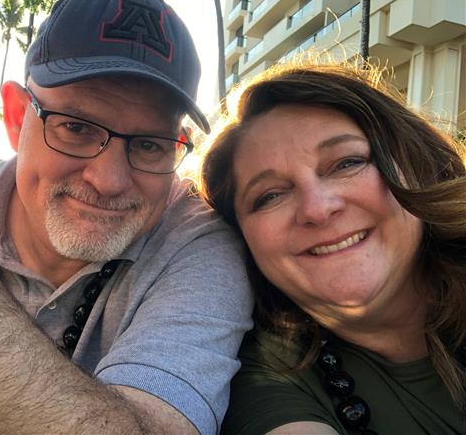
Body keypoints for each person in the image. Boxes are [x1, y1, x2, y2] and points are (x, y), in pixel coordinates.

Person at [0, 0, 253, 434]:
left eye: (150, 145)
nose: (109, 181)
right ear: (15, 118)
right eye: (76, 128)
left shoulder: (194, 244)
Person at [200, 60, 466, 434]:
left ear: (414, 163)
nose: (317, 209)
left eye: (347, 163)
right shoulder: (266, 376)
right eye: (270, 195)